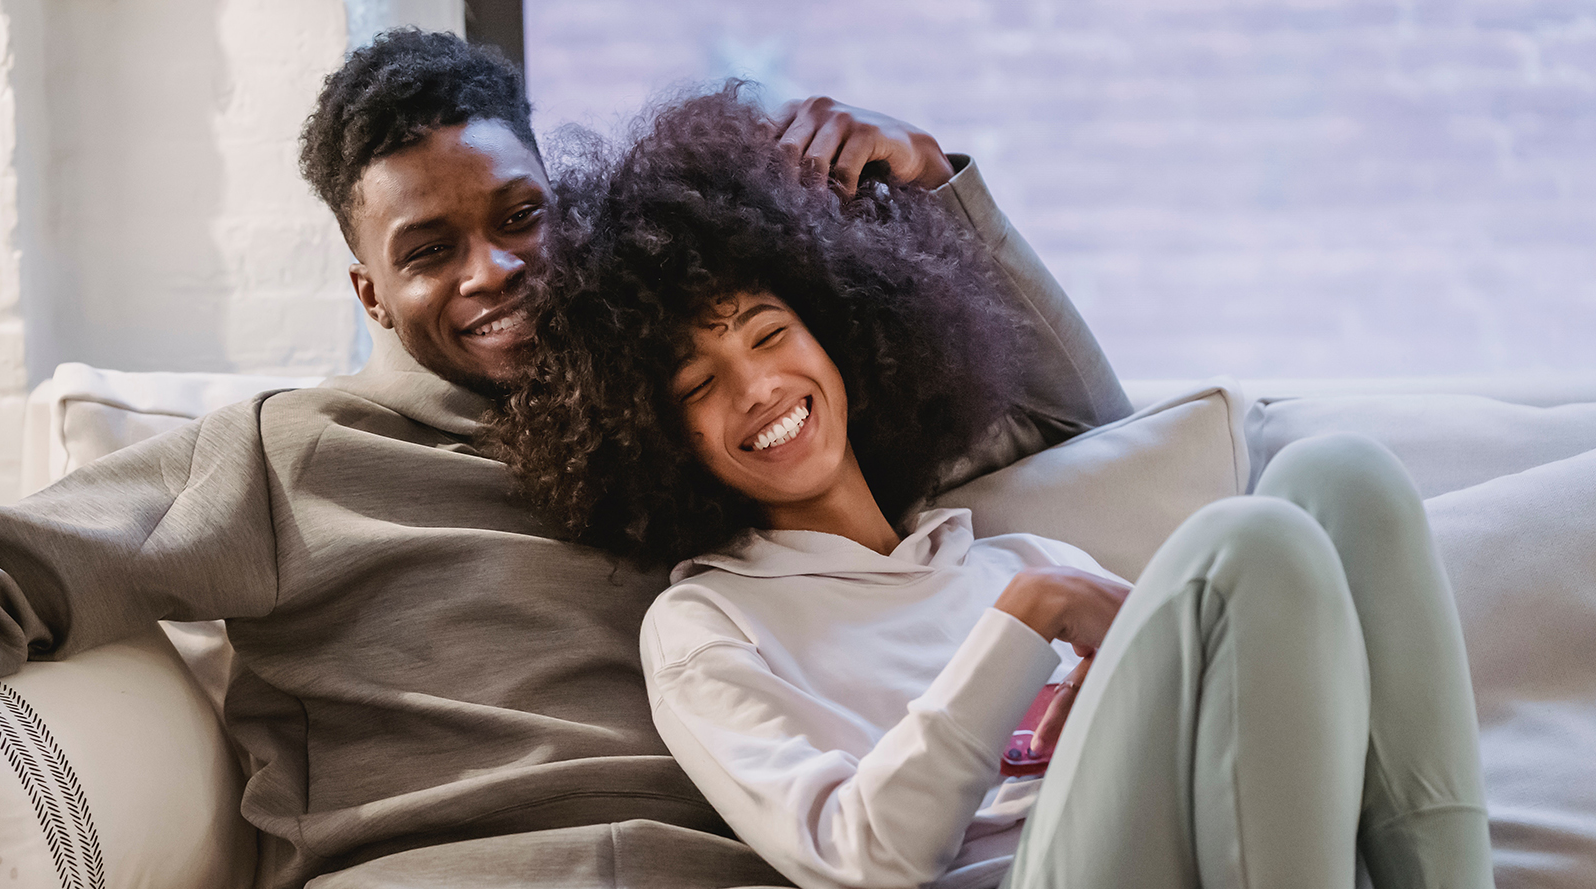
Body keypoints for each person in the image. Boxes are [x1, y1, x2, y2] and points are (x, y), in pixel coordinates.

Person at [0, 30, 1132, 889]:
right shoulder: (288, 456)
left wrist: (936, 195)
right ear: (369, 290)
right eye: (430, 250)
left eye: (521, 215)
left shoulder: (708, 418)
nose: (495, 270)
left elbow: (1065, 430)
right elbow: (6, 563)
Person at [491, 88, 1494, 889]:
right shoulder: (707, 622)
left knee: (1342, 476)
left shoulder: (1017, 555)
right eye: (698, 386)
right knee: (1254, 544)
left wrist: (1055, 610)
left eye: (769, 332)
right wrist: (1024, 625)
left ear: (840, 336)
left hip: (1206, 836)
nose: (758, 388)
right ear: (654, 438)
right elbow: (861, 857)